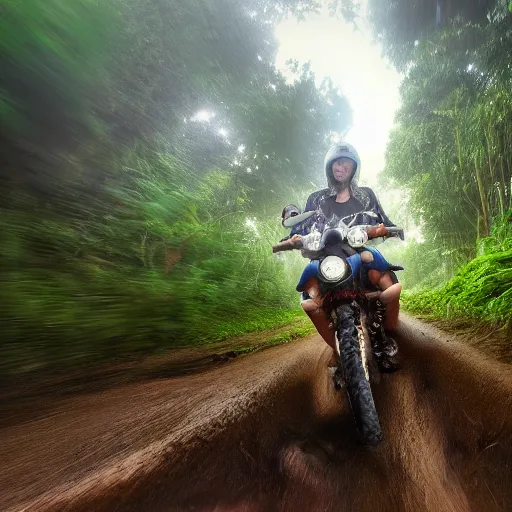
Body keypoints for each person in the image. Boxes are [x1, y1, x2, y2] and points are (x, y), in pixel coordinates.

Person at [283, 142, 401, 371]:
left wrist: (389, 229)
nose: (341, 166)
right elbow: (299, 229)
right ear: (329, 166)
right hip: (326, 259)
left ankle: (387, 334)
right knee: (310, 295)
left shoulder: (366, 196)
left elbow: (382, 220)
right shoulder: (316, 199)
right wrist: (293, 238)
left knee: (382, 276)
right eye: (337, 161)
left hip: (359, 252)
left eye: (346, 162)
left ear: (353, 168)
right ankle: (337, 349)